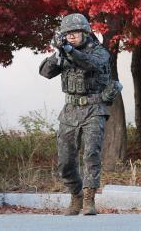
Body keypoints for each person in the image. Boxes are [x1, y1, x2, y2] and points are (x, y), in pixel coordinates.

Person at [39, 13, 117, 216]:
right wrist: (58, 53)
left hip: (94, 109)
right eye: (68, 33)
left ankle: (89, 198)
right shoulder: (64, 51)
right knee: (65, 161)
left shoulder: (99, 52)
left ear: (85, 32)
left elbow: (90, 64)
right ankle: (76, 195)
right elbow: (46, 73)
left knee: (91, 154)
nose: (71, 36)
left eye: (75, 32)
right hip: (70, 111)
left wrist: (68, 49)